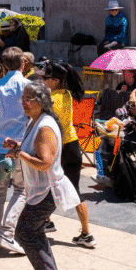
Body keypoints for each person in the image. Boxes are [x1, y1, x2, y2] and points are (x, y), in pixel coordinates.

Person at [1, 81, 80, 270]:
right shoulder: (35, 121)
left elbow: (45, 162)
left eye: (29, 99)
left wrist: (19, 154)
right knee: (33, 233)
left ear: (41, 102)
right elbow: (33, 147)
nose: (24, 103)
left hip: (47, 190)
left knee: (25, 233)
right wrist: (17, 145)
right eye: (22, 99)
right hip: (40, 189)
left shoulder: (45, 126)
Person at [40, 61, 94, 248]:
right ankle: (86, 233)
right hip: (73, 146)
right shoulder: (68, 94)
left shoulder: (51, 99)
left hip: (58, 149)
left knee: (45, 185)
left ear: (56, 80)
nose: (42, 80)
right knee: (75, 191)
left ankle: (44, 221)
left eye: (45, 77)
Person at [0, 47, 29, 255]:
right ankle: (6, 232)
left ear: (3, 65)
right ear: (23, 63)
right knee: (21, 190)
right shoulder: (27, 86)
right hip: (17, 145)